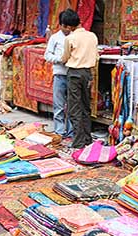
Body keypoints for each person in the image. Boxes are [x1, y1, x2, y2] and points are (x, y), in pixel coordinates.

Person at [61, 9, 98, 149]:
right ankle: (87, 138)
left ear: (69, 26)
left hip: (74, 74)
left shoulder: (70, 38)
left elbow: (65, 58)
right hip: (87, 73)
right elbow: (95, 55)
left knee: (74, 108)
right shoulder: (92, 36)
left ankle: (78, 141)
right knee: (85, 106)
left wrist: (64, 59)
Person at [44, 11, 73, 139]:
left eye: (70, 27)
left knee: (72, 106)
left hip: (72, 74)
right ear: (60, 25)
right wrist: (60, 59)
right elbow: (47, 55)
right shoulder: (55, 38)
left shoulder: (75, 37)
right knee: (59, 105)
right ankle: (59, 132)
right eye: (65, 26)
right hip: (60, 74)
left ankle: (71, 132)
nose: (68, 29)